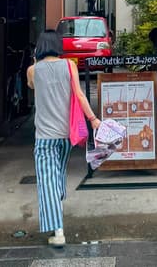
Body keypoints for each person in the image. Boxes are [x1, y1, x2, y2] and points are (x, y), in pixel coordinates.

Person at [26, 30, 101, 247]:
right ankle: (56, 206)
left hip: (45, 136)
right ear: (58, 46)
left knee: (47, 180)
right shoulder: (70, 66)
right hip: (66, 135)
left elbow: (31, 86)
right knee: (57, 175)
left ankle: (58, 231)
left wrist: (35, 61)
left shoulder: (33, 70)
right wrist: (93, 119)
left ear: (39, 48)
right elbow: (79, 94)